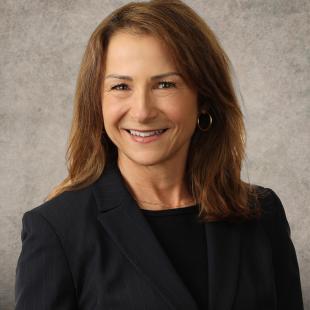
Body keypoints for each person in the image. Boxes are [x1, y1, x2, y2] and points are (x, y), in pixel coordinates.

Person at [15, 0, 304, 309]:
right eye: (121, 86)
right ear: (96, 102)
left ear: (203, 99)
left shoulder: (262, 215)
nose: (141, 112)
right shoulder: (56, 230)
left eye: (165, 84)